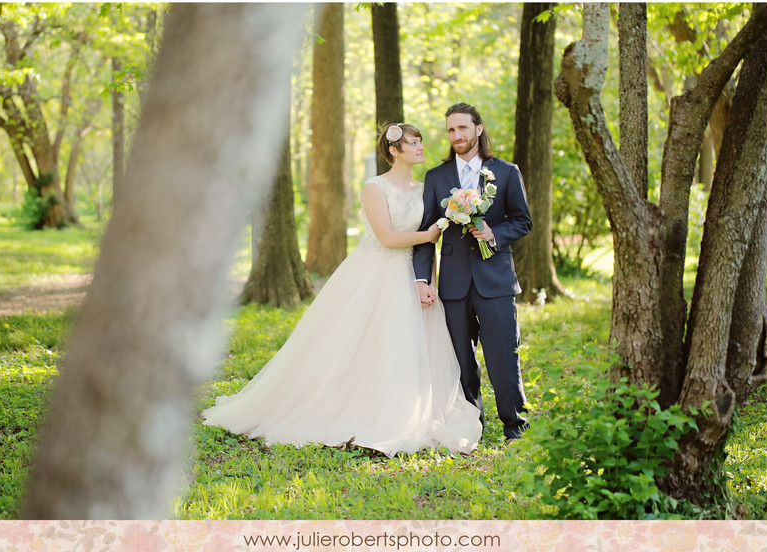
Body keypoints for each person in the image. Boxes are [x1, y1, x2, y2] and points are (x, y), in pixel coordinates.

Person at [202, 123, 482, 456]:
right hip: (375, 271)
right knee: (361, 340)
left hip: (410, 275)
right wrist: (430, 233)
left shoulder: (426, 189)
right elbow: (388, 238)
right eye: (414, 142)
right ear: (394, 150)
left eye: (421, 142)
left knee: (406, 344)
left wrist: (426, 280)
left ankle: (403, 406)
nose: (421, 147)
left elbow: (425, 248)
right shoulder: (374, 188)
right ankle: (350, 405)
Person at [413, 103, 532, 441]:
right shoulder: (436, 178)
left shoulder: (506, 172)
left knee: (503, 356)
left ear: (478, 129)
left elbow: (523, 221)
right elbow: (425, 234)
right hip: (454, 284)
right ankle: (470, 426)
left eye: (463, 128)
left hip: (496, 280)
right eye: (451, 130)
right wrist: (422, 279)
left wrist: (495, 234)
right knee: (460, 361)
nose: (457, 136)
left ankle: (515, 425)